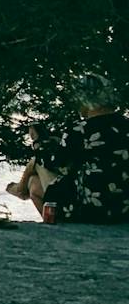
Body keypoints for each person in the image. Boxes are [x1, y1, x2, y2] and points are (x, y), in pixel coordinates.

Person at [9, 80, 129, 224]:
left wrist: (37, 142)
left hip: (92, 210)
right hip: (124, 208)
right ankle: (20, 189)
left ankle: (22, 191)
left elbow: (54, 162)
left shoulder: (80, 130)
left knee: (35, 181)